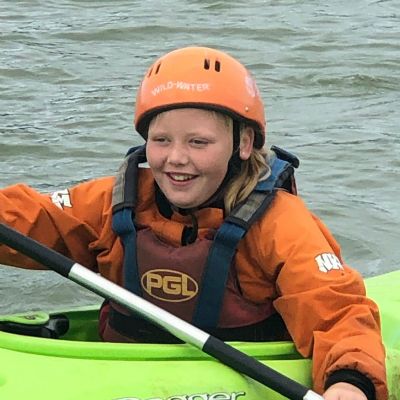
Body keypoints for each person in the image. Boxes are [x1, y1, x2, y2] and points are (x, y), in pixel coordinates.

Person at [0, 46, 387, 400]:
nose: (175, 158)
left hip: (239, 380)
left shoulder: (279, 223)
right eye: (161, 140)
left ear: (244, 143)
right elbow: (31, 217)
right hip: (122, 373)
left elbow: (337, 312)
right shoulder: (114, 204)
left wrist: (350, 382)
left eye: (198, 142)